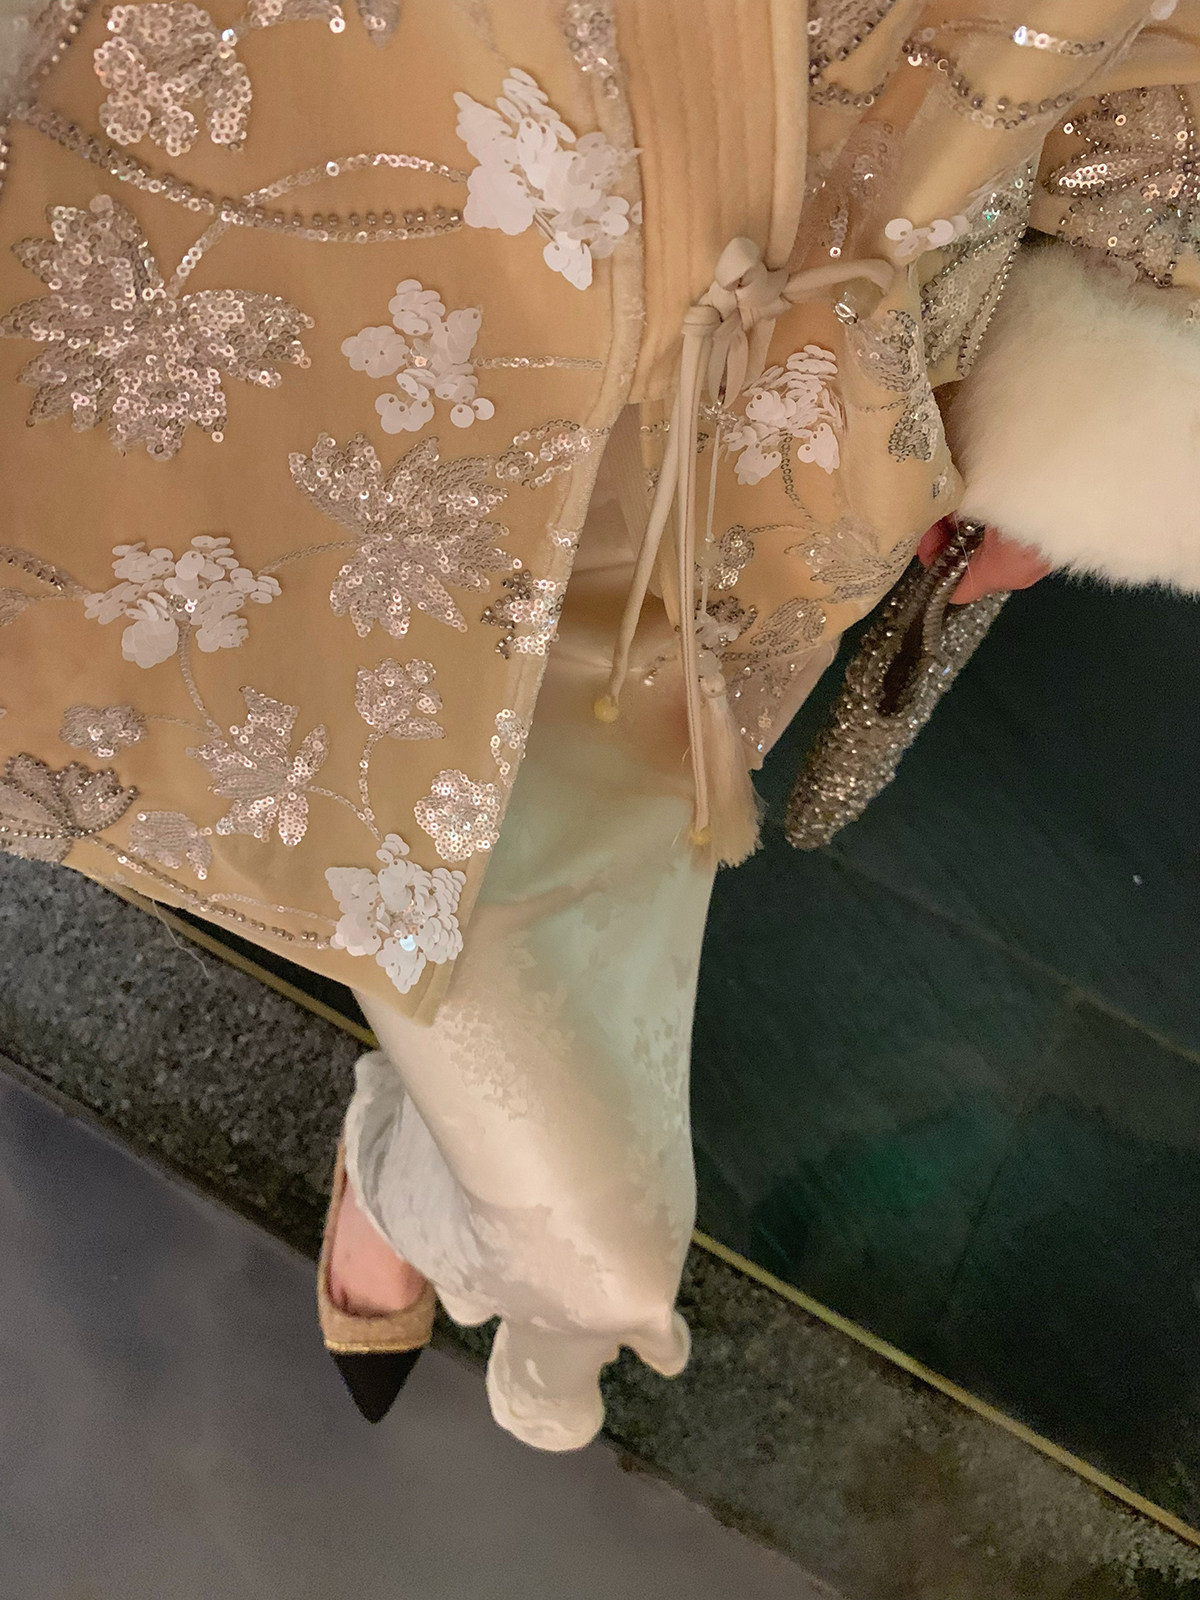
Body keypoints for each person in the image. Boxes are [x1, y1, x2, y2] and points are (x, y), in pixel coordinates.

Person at [2, 0, 1198, 1450]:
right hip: (338, 413)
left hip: (719, 501)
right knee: (599, 1243)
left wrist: (1111, 381)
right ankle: (442, 1196)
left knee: (594, 1200)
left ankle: (429, 1190)